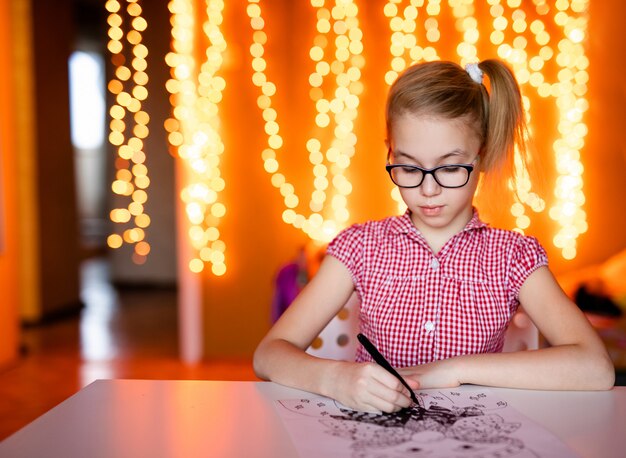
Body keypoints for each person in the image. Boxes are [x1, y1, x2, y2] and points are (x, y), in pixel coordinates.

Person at [253, 59, 615, 414]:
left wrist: (453, 370)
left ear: (482, 155)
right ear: (390, 152)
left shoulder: (513, 256)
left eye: (451, 166)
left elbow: (595, 369)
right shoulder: (360, 247)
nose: (428, 189)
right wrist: (337, 379)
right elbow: (269, 354)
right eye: (409, 167)